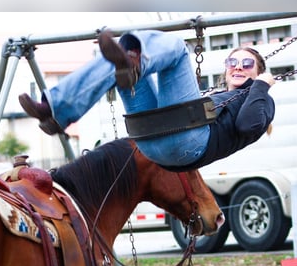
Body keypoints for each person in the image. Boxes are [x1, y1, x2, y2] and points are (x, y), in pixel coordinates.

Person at [18, 29, 275, 171]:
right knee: (120, 62)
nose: (238, 66)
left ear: (258, 69)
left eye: (247, 63)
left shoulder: (260, 99)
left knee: (175, 47)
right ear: (226, 67)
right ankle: (55, 112)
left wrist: (262, 84)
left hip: (189, 144)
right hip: (151, 144)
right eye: (233, 61)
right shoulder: (217, 95)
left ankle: (136, 61)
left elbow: (247, 125)